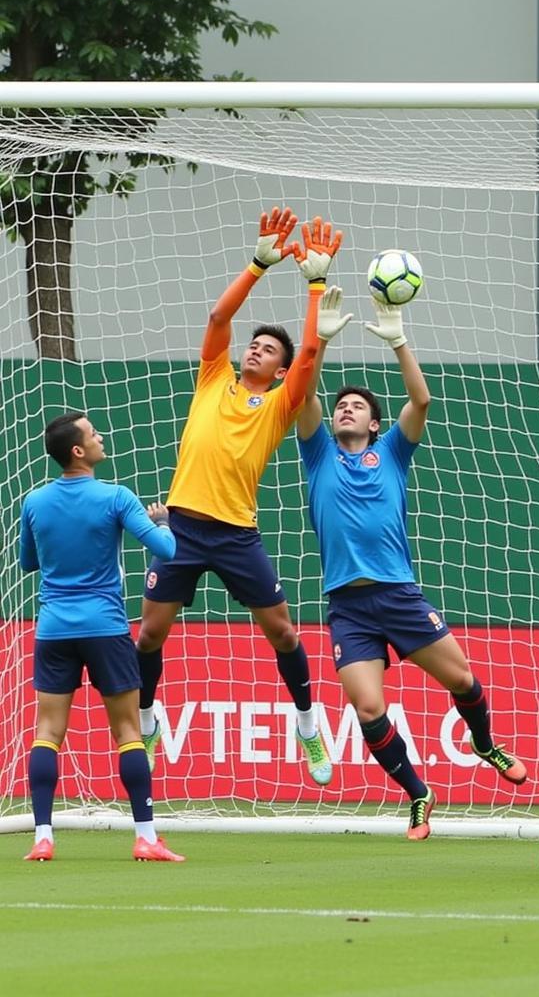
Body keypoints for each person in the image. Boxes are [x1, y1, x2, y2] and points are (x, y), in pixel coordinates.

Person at [295, 285, 528, 841]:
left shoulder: (393, 454)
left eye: (358, 407)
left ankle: (485, 743)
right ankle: (418, 795)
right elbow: (303, 396)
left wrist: (399, 342)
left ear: (375, 425)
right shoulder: (318, 452)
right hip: (348, 606)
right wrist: (318, 340)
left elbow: (420, 402)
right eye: (341, 405)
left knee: (465, 681)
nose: (345, 408)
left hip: (398, 594)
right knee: (368, 708)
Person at [135, 208, 340, 787]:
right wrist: (259, 264)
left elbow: (307, 357)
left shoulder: (280, 405)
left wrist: (316, 285)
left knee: (283, 632)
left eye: (268, 350)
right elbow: (219, 314)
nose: (256, 350)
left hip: (234, 534)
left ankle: (307, 727)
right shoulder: (211, 377)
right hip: (179, 528)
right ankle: (147, 724)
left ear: (278, 372)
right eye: (254, 344)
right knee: (148, 634)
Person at [19, 413, 184, 862]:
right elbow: (167, 551)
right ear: (77, 451)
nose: (100, 437)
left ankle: (43, 837)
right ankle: (145, 837)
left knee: (48, 732)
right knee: (129, 731)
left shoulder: (34, 502)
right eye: (92, 434)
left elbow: (27, 563)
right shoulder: (116, 497)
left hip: (53, 629)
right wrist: (164, 521)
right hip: (106, 627)